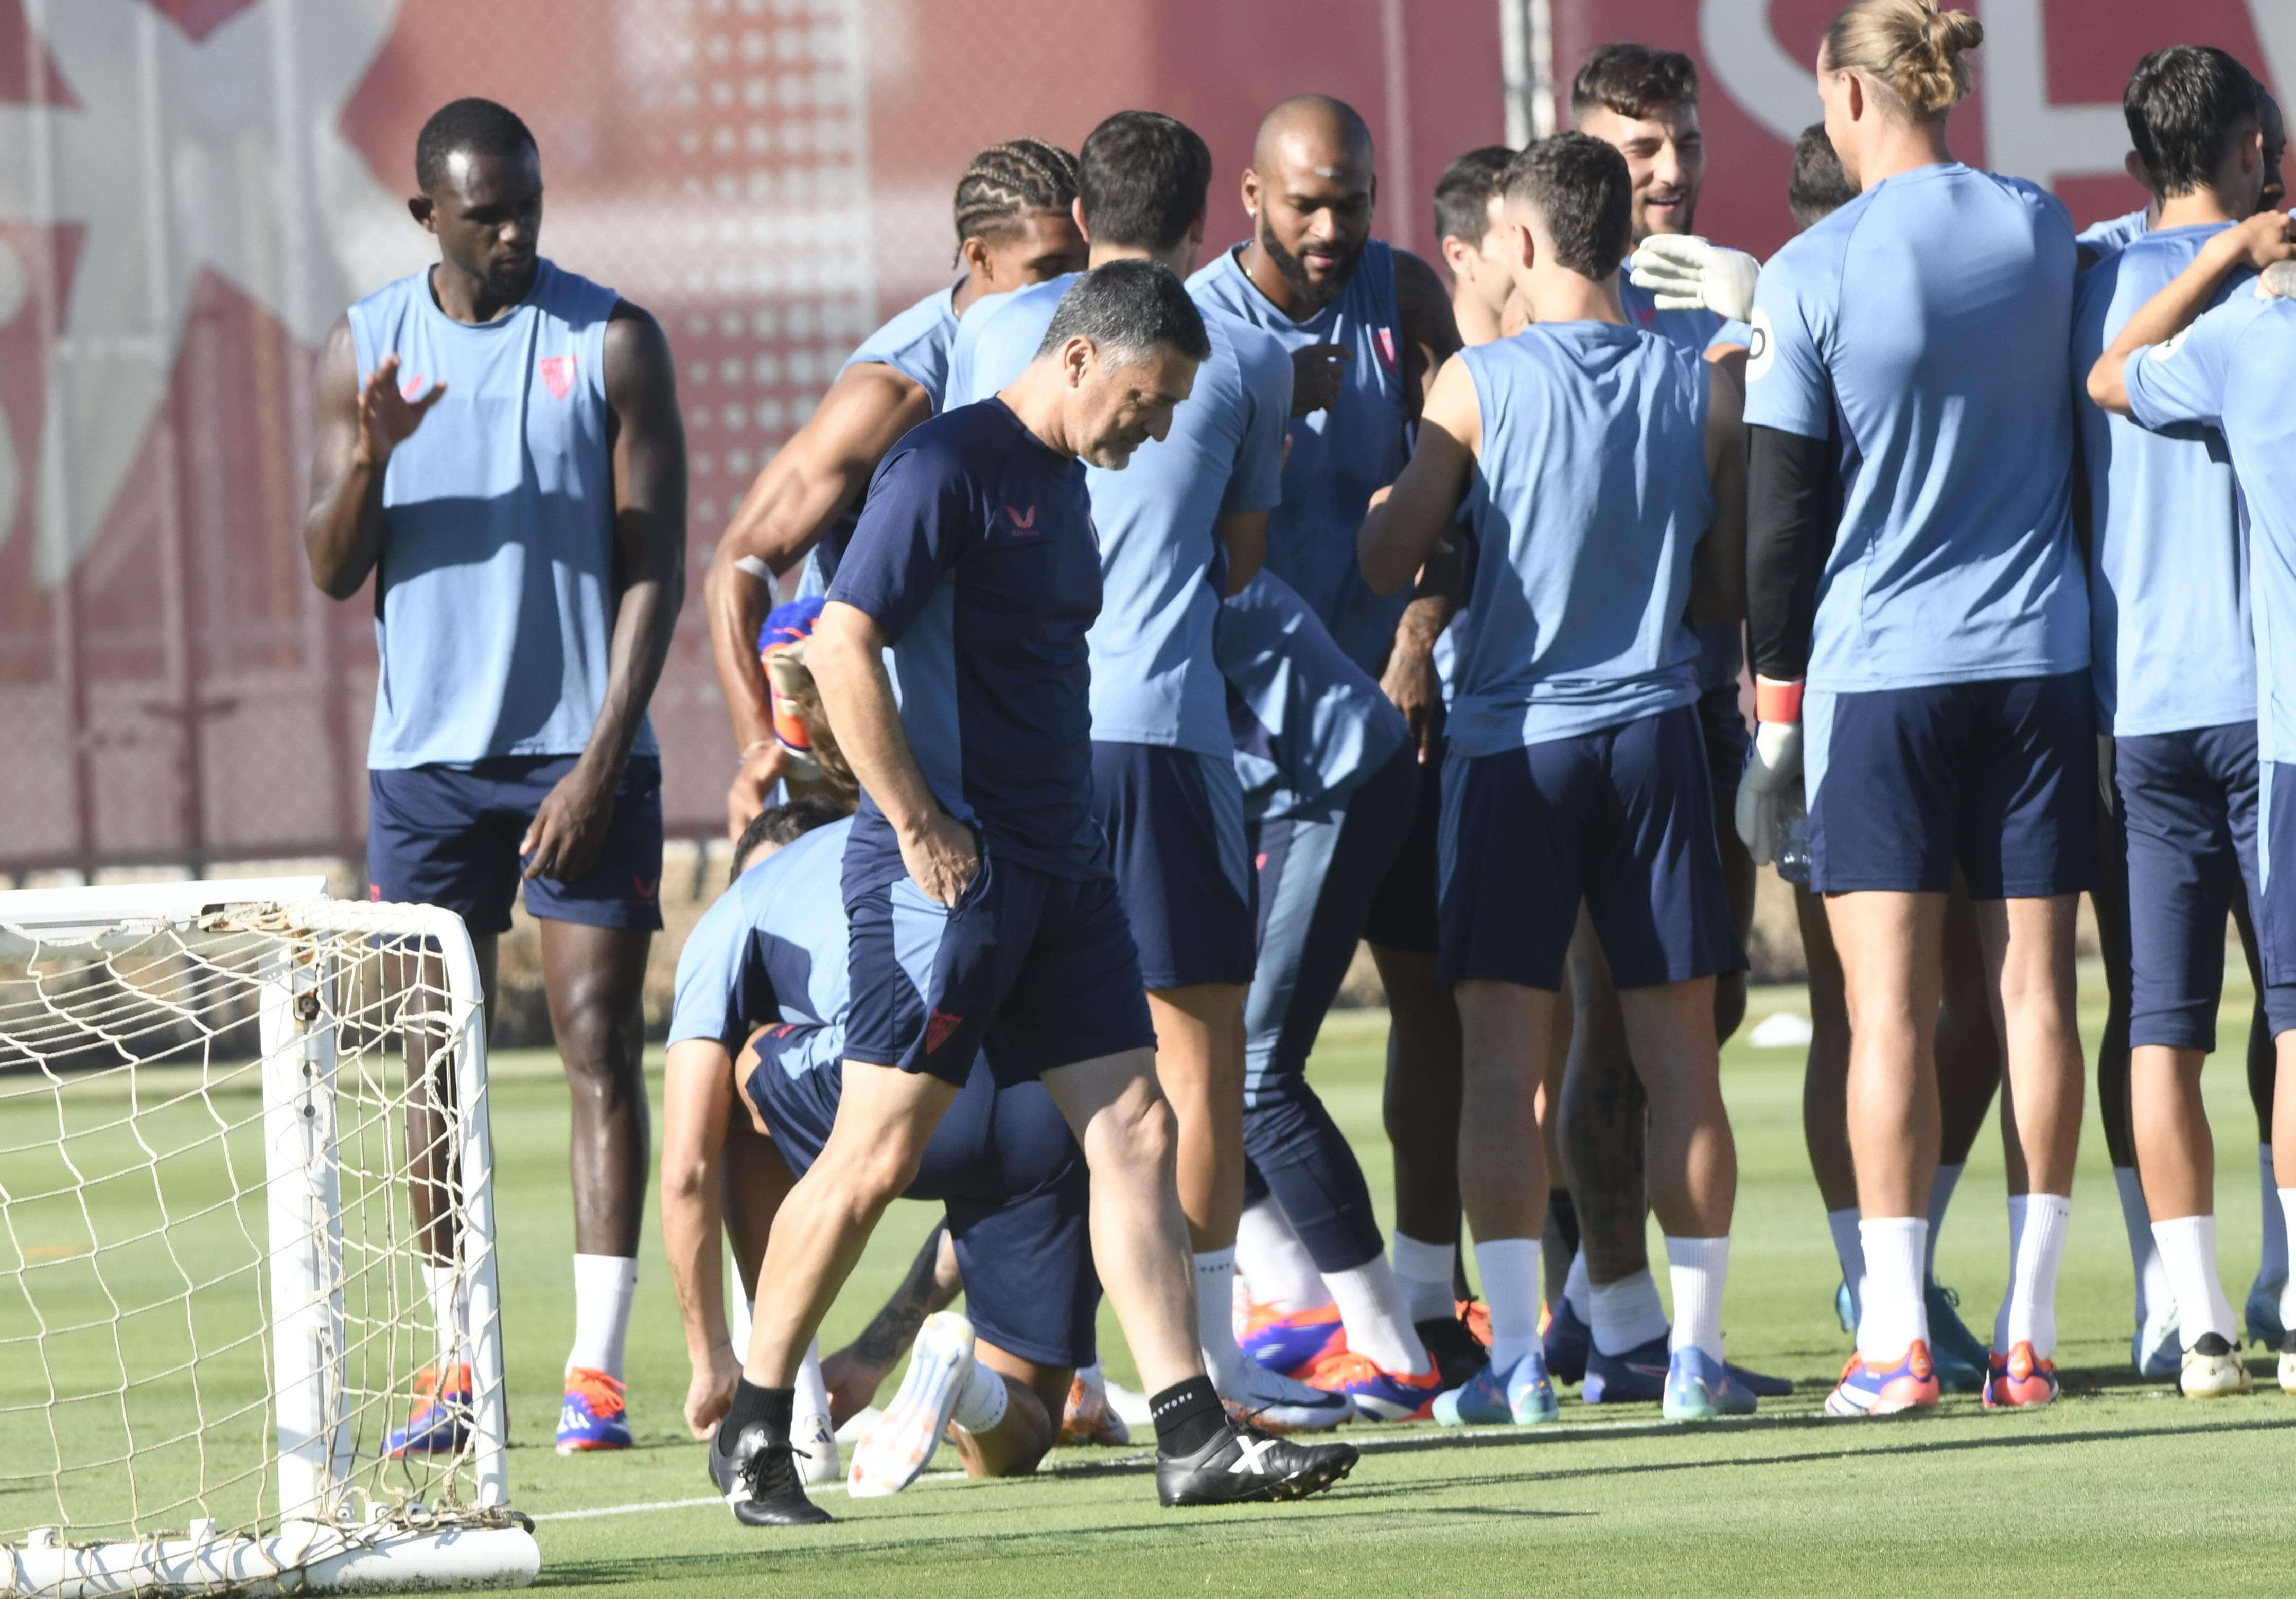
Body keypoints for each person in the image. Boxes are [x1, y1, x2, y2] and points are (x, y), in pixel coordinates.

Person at [714, 261, 1358, 1526]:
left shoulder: (1064, 479)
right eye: (1146, 398)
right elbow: (839, 640)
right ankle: (753, 1424)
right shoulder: (943, 466)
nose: (1156, 428)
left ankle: (1190, 1433)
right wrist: (916, 823)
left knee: (1137, 1129)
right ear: (1077, 359)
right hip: (946, 884)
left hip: (1064, 874)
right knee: (871, 1157)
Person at [949, 113, 1378, 1426]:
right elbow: (1237, 569)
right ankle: (1206, 1366)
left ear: (1081, 218)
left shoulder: (987, 332)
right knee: (1194, 1066)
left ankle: (1054, 1362)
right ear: (1209, 224)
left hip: (1014, 742)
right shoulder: (1237, 352)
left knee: (1034, 1062)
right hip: (1158, 733)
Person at [303, 98, 685, 1455]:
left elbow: (656, 569)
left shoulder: (612, 340)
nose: (515, 233)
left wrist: (598, 760)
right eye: (487, 215)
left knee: (594, 1043)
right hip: (425, 768)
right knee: (432, 1059)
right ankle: (459, 1362)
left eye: (528, 207)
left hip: (583, 756)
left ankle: (595, 1373)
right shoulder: (365, 345)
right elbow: (331, 567)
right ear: (427, 217)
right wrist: (371, 454)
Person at [1360, 130, 1753, 1425]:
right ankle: (1693, 1357)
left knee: (1498, 1063)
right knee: (1678, 1059)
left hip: (1512, 751)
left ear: (1522, 244)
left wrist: (1376, 495)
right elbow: (1719, 588)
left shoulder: (1474, 383)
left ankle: (1518, 1366)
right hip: (1654, 738)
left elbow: (1388, 559)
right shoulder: (1697, 384)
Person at [1737, 0, 2094, 1417]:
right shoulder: (2037, 226)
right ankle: (2026, 1334)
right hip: (2037, 660)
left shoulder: (1807, 268)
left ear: (1841, 95)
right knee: (2032, 996)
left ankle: (1891, 1339)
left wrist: (1773, 726)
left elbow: (1779, 525)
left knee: (1883, 1009)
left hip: (1880, 674)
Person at [1187, 94, 1485, 1386]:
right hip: (1248, 756)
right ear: (1250, 197)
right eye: (1304, 203)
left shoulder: (1400, 294)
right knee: (1230, 1046)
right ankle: (1288, 1297)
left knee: (1433, 1005)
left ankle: (1428, 1295)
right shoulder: (1194, 327)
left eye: (1350, 202)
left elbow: (1458, 491)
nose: (1328, 228)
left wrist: (1414, 645)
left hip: (1389, 729)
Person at [1533, 44, 1772, 1408]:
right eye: (1640, 149)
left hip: (1700, 699)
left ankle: (1584, 1308)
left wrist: (1755, 325)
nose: (1671, 169)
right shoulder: (1541, 295)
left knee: (1706, 1001)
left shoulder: (1723, 293)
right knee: (1605, 1025)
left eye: (1682, 141)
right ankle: (1623, 1318)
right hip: (1586, 711)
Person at [665, 799, 1103, 1500]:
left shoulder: (737, 908)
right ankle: (965, 1386)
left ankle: (793, 1408)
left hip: (894, 1082)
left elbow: (687, 1167)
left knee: (736, 1077)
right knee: (1019, 1432)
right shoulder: (933, 832)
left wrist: (711, 1355)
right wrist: (879, 1351)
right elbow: (969, 1203)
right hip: (1043, 1106)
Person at [2077, 50, 2282, 1395]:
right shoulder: (2270, 290)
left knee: (2158, 1018)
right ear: (2252, 147)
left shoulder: (2087, 281)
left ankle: (2192, 1317)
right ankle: (2286, 1285)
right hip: (2266, 699)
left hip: (2135, 702)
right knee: (2289, 1007)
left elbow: (2101, 383)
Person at [705, 140, 1086, 837]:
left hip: (1012, 734)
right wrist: (762, 748)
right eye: (1048, 271)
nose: (1066, 295)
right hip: (879, 764)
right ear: (979, 257)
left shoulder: (1081, 363)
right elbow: (740, 565)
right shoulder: (899, 389)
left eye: (1080, 272)